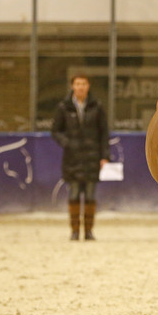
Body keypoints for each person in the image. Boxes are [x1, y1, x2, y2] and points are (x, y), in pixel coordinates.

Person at [51, 75, 110, 241]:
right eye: (77, 84)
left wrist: (104, 156)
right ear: (72, 86)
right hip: (72, 158)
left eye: (83, 83)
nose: (80, 87)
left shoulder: (97, 107)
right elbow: (55, 131)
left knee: (91, 195)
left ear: (88, 86)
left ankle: (89, 231)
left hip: (93, 157)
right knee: (74, 194)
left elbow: (104, 133)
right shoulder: (64, 107)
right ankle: (75, 231)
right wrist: (67, 143)